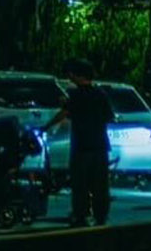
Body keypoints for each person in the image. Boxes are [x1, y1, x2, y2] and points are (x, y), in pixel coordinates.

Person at [46, 59, 113, 227]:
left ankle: (81, 215)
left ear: (78, 75)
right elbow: (109, 116)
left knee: (80, 185)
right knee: (100, 185)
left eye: (72, 74)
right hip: (100, 146)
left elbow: (64, 113)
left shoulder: (76, 95)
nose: (70, 78)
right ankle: (101, 215)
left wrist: (46, 126)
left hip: (82, 147)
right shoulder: (101, 94)